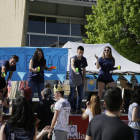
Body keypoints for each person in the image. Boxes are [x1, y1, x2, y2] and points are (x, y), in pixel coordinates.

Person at [69, 46, 88, 114]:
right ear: (77, 51)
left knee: (80, 95)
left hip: (80, 79)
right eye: (80, 52)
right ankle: (71, 108)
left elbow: (84, 70)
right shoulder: (73, 58)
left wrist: (84, 79)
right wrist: (74, 70)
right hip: (73, 79)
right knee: (72, 94)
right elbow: (72, 65)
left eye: (82, 53)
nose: (81, 54)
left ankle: (78, 109)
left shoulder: (84, 59)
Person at [0, 55, 19, 121]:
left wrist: (6, 85)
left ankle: (1, 107)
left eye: (14, 63)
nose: (12, 64)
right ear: (10, 59)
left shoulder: (14, 66)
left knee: (2, 92)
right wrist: (3, 73)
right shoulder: (5, 63)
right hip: (2, 74)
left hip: (2, 77)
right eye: (12, 62)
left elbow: (10, 75)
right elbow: (3, 69)